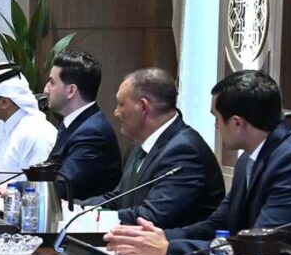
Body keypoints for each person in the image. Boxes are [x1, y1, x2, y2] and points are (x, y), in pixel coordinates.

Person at [106, 70, 291, 255]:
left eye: (216, 118)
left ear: (237, 123)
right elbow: (217, 224)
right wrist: (162, 237)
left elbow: (259, 245)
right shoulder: (249, 159)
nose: (215, 127)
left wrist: (169, 249)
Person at [84, 68, 223, 228]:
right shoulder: (137, 147)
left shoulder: (184, 151)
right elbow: (118, 198)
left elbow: (152, 216)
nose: (116, 112)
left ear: (143, 106)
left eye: (121, 104)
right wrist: (73, 208)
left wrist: (95, 217)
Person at [43, 51, 121, 200]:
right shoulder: (76, 124)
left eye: (52, 82)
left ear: (71, 90)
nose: (46, 89)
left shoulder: (92, 132)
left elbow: (62, 187)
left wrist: (15, 189)